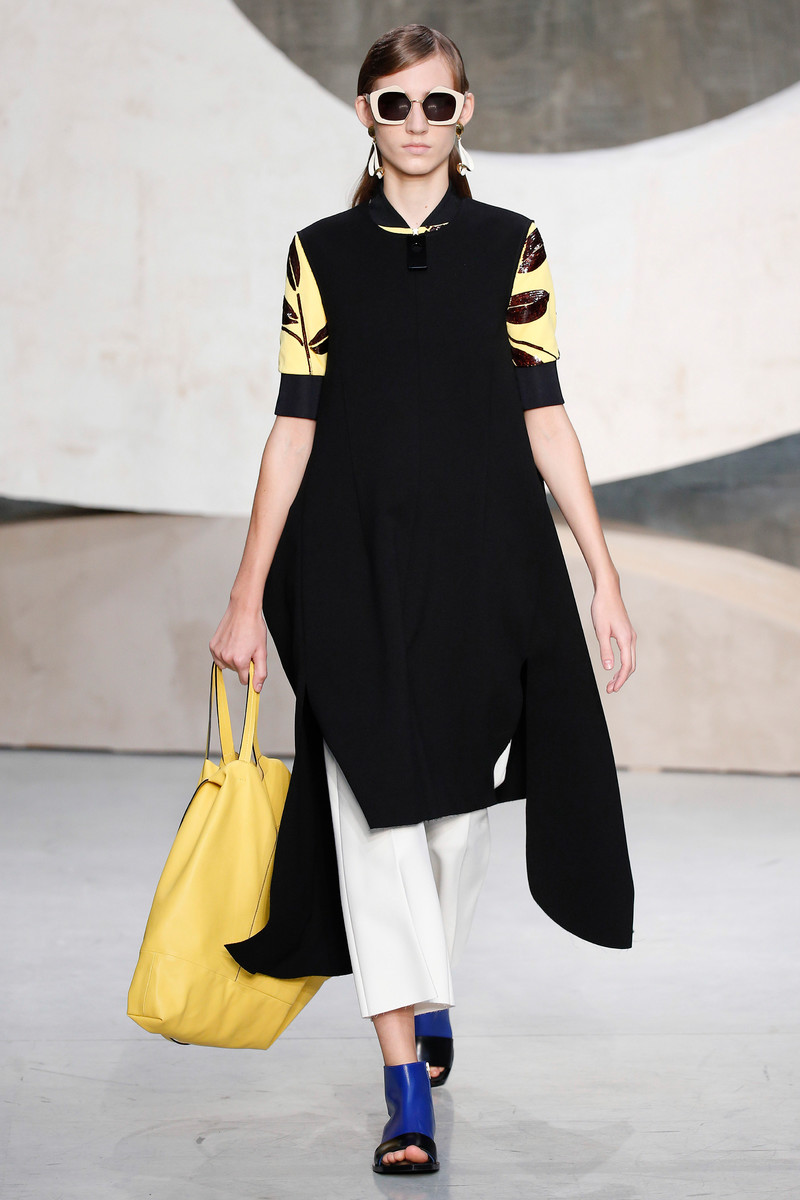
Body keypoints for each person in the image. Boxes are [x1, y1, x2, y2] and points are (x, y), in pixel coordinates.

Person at [210, 23, 636, 1176]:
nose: (413, 123)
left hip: (485, 566)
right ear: (363, 114)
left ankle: (426, 985)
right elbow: (292, 425)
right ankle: (404, 1084)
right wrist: (245, 595)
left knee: (451, 823)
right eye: (392, 104)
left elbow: (544, 412)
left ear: (464, 114)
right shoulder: (318, 253)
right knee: (374, 817)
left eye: (433, 104)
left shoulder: (510, 245)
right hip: (345, 568)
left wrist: (600, 574)